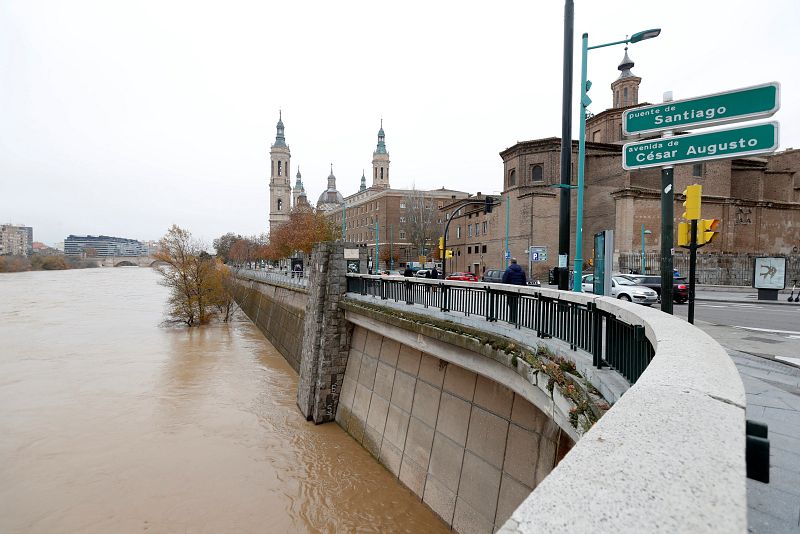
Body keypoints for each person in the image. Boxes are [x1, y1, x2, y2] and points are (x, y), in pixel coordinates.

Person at [502, 258, 526, 324]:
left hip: (510, 291)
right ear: (516, 262)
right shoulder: (521, 270)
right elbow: (524, 281)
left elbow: (504, 281)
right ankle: (514, 320)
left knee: (510, 304)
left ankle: (511, 320)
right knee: (515, 304)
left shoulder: (508, 270)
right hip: (517, 291)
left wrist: (504, 290)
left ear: (511, 262)